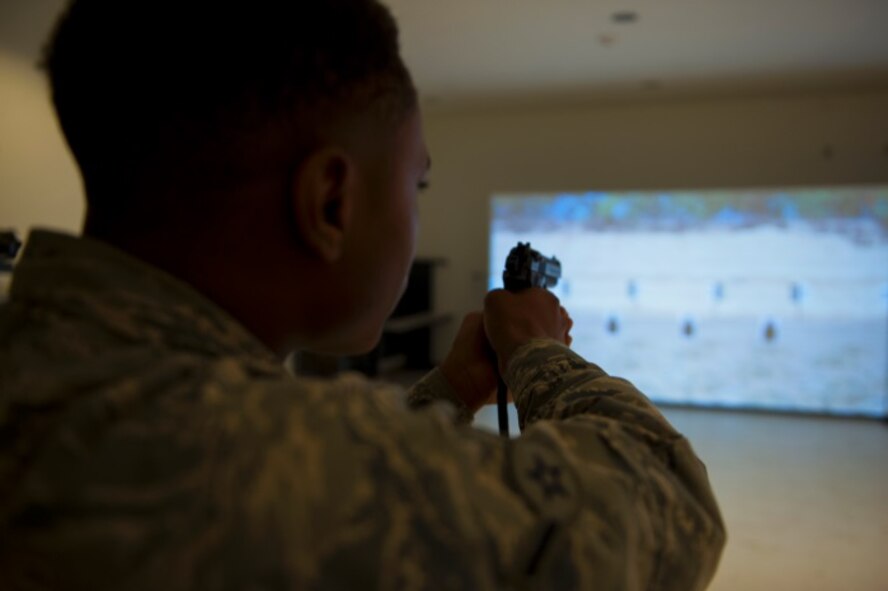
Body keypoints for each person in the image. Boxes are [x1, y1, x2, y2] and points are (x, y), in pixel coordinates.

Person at [0, 0, 725, 589]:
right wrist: (539, 351)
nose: (416, 211)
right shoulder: (226, 445)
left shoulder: (65, 378)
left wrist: (447, 391)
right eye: (417, 184)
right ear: (332, 202)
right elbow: (672, 510)